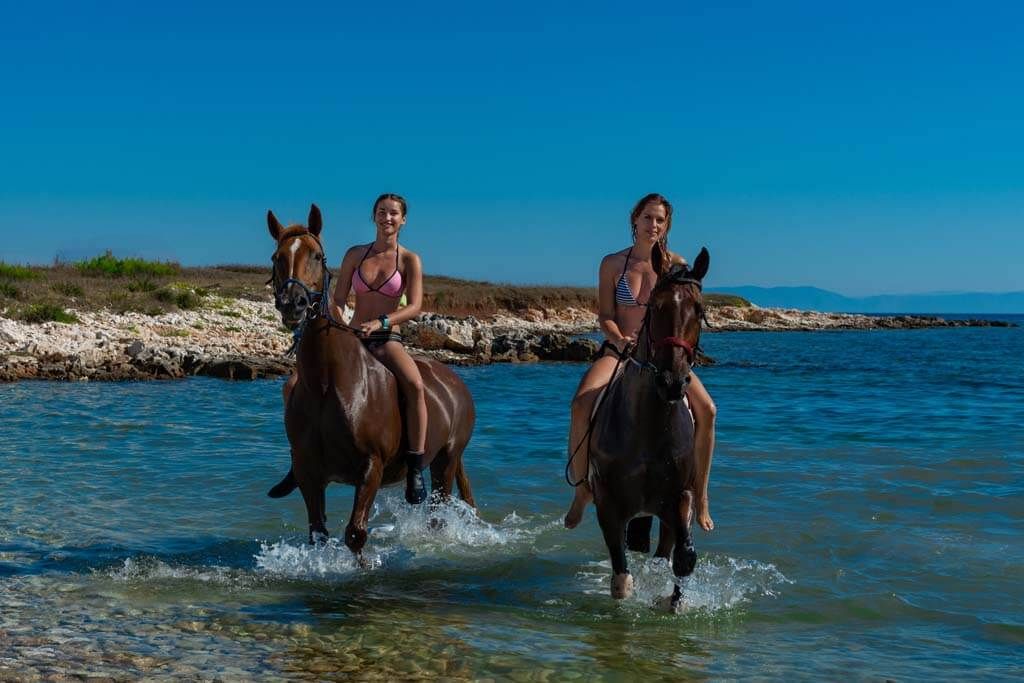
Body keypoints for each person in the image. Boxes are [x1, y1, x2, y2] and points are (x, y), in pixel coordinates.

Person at [563, 193, 718, 532]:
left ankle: (701, 495)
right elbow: (605, 316)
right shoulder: (613, 264)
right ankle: (582, 489)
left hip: (663, 355)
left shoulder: (677, 265)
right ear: (635, 220)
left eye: (660, 220)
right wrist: (619, 340)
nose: (654, 225)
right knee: (580, 404)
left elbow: (685, 312)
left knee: (707, 410)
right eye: (648, 218)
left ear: (667, 226)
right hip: (620, 351)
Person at [268, 193, 430, 504]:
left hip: (387, 339)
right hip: (353, 334)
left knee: (415, 385)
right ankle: (298, 462)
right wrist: (340, 322)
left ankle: (415, 467)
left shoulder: (410, 260)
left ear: (403, 219)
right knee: (291, 386)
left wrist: (382, 322)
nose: (387, 218)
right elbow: (339, 299)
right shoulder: (355, 255)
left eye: (394, 213)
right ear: (374, 217)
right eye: (382, 212)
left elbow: (416, 307)